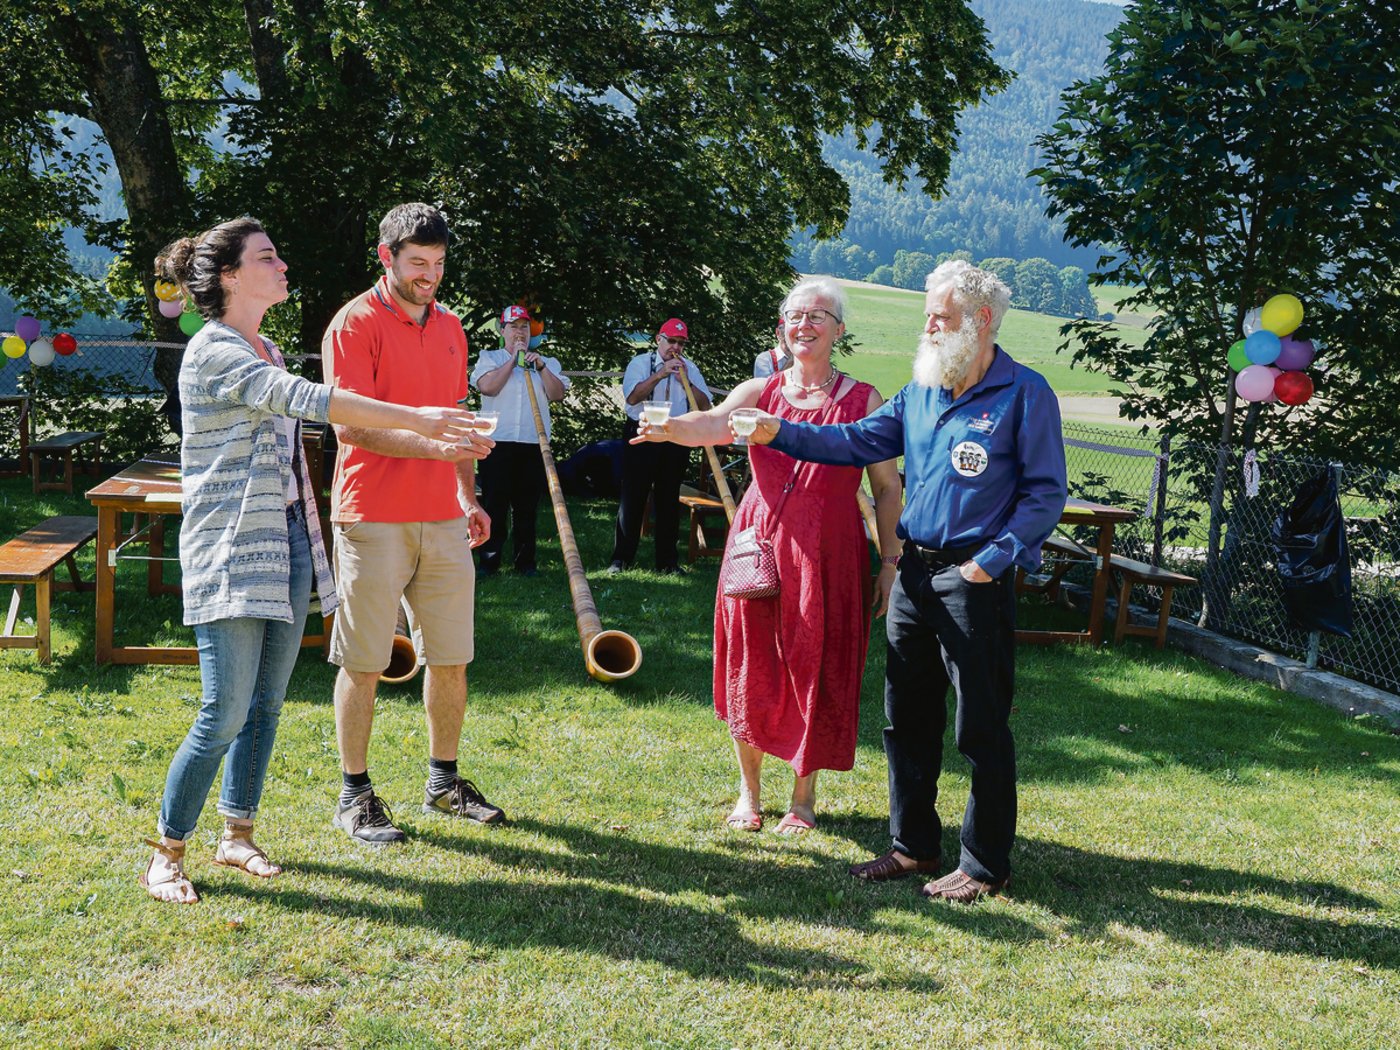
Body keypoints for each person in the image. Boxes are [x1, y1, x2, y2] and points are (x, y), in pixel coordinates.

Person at [141, 217, 484, 903]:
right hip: (232, 553)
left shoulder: (263, 344)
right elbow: (313, 401)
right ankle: (168, 852)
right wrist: (425, 421)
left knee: (265, 708)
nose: (283, 264)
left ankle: (237, 836)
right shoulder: (214, 351)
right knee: (223, 712)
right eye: (268, 257)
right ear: (233, 276)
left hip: (287, 545)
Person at [746, 260, 1067, 901]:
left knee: (979, 727)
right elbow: (858, 440)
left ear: (979, 322)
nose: (928, 327)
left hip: (975, 578)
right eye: (927, 315)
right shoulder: (921, 391)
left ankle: (983, 864)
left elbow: (1043, 495)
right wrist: (781, 430)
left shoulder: (1025, 394)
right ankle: (913, 846)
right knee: (905, 720)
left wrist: (992, 562)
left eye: (940, 318)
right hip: (915, 574)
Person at [632, 277, 901, 832]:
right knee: (751, 661)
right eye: (795, 316)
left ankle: (803, 799)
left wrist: (891, 561)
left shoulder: (862, 399)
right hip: (761, 542)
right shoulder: (761, 391)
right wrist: (664, 428)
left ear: (839, 331)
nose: (804, 326)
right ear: (783, 326)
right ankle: (748, 796)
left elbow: (887, 487)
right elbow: (708, 424)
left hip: (831, 550)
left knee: (817, 665)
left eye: (818, 317)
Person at [323, 203, 506, 844]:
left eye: (438, 263)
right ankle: (355, 795)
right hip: (372, 514)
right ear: (387, 258)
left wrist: (467, 496)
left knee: (451, 658)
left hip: (442, 516)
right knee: (365, 661)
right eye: (417, 263)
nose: (429, 275)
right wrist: (433, 448)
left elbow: (454, 418)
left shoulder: (452, 326)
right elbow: (351, 424)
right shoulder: (355, 323)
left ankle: (443, 783)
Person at [470, 305, 570, 577]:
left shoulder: (547, 362)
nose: (519, 332)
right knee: (495, 503)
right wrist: (513, 360)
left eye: (524, 327)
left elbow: (557, 394)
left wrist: (541, 366)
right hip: (496, 442)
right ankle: (489, 562)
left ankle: (525, 563)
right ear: (502, 331)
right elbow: (488, 387)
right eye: (513, 326)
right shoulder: (489, 358)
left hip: (533, 442)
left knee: (527, 506)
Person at [608, 318, 713, 574]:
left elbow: (705, 405)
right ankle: (621, 559)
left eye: (680, 343)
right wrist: (661, 374)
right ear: (659, 340)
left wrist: (685, 379)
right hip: (642, 431)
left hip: (674, 435)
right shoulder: (641, 363)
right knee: (633, 496)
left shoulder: (689, 368)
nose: (675, 348)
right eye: (671, 341)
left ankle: (667, 562)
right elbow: (632, 397)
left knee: (668, 499)